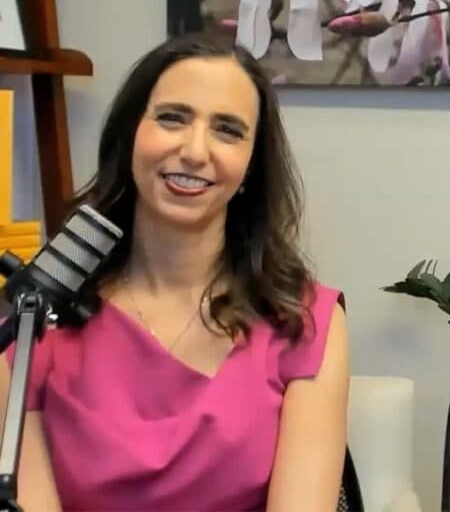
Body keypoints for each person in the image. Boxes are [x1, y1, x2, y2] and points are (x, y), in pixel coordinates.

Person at [0, 32, 350, 510]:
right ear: (130, 136)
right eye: (172, 118)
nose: (195, 151)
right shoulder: (35, 324)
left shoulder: (305, 323)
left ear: (251, 165)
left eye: (227, 130)